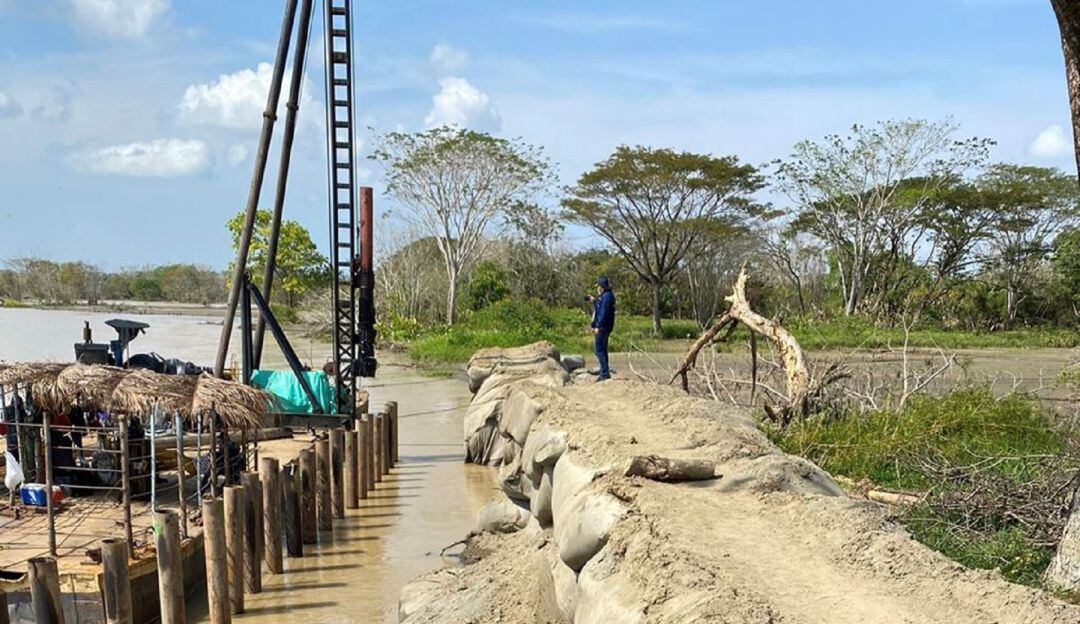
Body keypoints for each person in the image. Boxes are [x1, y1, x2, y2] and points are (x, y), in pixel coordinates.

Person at [589, 276, 616, 381]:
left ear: (602, 287)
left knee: (599, 350)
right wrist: (595, 301)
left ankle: (604, 373)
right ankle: (605, 371)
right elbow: (601, 309)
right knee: (603, 350)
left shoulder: (606, 297)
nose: (597, 288)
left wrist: (597, 327)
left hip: (602, 328)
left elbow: (603, 314)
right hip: (606, 327)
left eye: (598, 286)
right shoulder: (607, 296)